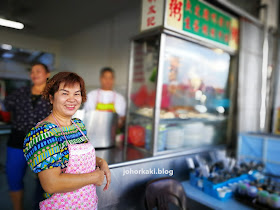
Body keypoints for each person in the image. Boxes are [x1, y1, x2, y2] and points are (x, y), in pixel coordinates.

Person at [23, 72, 111, 209]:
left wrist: (100, 161)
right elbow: (51, 184)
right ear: (51, 98)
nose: (72, 99)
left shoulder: (78, 125)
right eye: (65, 93)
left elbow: (70, 157)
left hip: (88, 204)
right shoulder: (43, 133)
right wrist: (94, 177)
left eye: (77, 94)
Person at [3, 63, 51, 210]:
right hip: (18, 141)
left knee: (45, 181)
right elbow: (5, 106)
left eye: (38, 71)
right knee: (14, 178)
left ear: (47, 74)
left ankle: (42, 206)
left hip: (43, 143)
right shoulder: (21, 92)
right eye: (32, 72)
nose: (34, 74)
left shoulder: (53, 95)